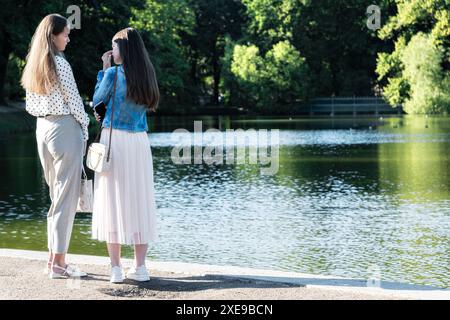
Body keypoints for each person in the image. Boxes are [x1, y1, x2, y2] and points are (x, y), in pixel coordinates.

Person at [21, 14, 89, 279]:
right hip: (64, 129)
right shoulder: (60, 64)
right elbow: (75, 102)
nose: (69, 38)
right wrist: (84, 129)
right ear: (53, 36)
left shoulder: (34, 64)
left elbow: (29, 106)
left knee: (56, 198)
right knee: (65, 200)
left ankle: (53, 260)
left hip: (42, 130)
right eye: (66, 34)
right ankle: (59, 264)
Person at [91, 27, 159, 283]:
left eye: (114, 46)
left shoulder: (112, 73)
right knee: (140, 200)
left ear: (123, 50)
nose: (112, 51)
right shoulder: (147, 75)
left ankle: (116, 269)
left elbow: (97, 99)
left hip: (115, 141)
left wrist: (104, 68)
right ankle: (140, 267)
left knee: (112, 201)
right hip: (139, 142)